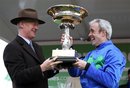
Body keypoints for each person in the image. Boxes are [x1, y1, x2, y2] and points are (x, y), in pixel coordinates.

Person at [3, 8, 62, 88]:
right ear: (21, 24)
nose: (37, 27)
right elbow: (18, 77)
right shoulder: (12, 48)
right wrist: (42, 67)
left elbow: (43, 75)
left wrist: (55, 67)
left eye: (37, 24)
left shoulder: (37, 47)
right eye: (33, 24)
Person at [61, 18, 126, 88]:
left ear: (103, 33)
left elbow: (111, 82)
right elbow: (75, 73)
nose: (89, 34)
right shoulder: (91, 54)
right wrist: (69, 48)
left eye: (92, 31)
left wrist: (87, 66)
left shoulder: (113, 53)